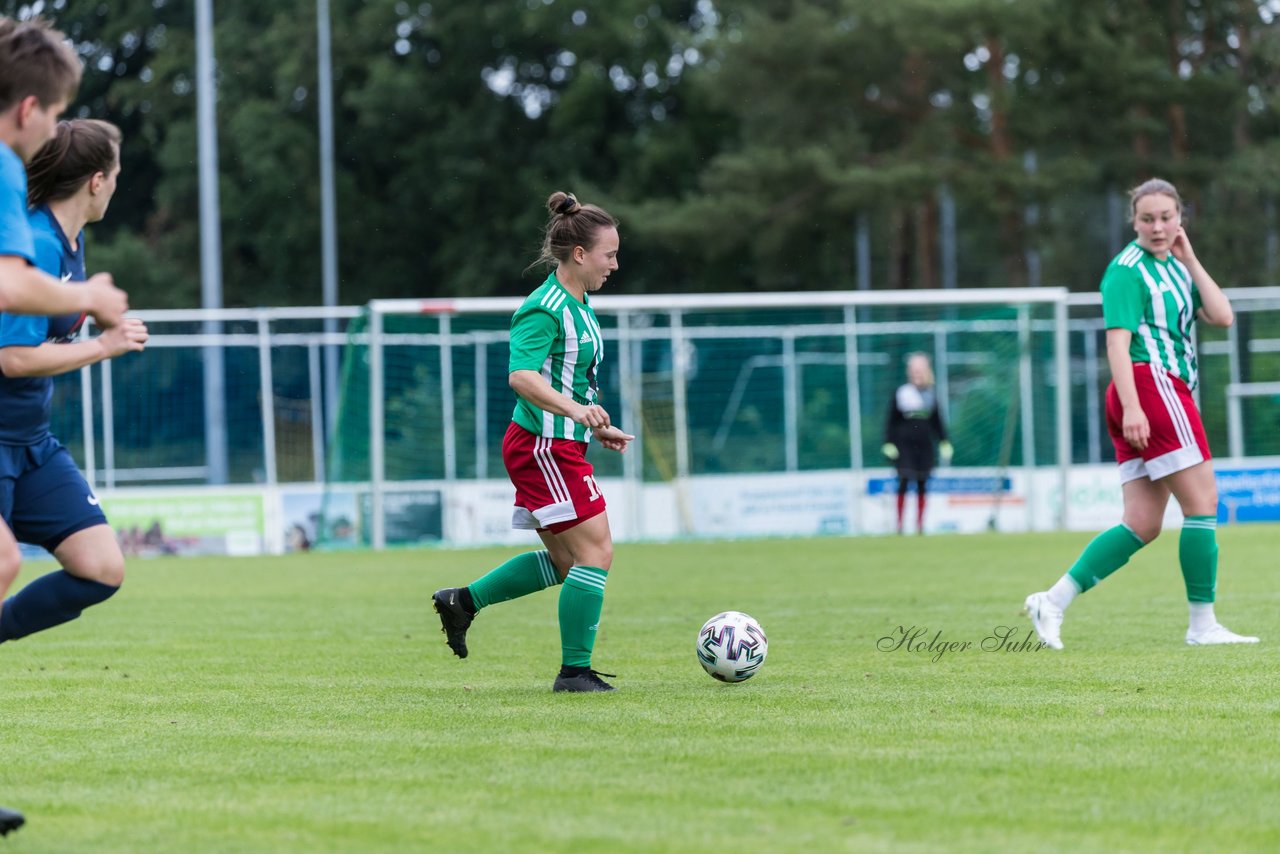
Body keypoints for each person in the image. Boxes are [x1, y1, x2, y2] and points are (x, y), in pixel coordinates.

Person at [1025, 178, 1257, 650]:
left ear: (1180, 220)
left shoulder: (1175, 267)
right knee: (1202, 504)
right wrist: (1133, 406)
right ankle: (1202, 625)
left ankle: (1052, 601)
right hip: (1150, 386)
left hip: (1154, 391)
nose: (1157, 226)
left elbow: (1223, 314)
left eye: (1167, 217)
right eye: (1147, 218)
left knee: (1143, 523)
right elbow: (1117, 343)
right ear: (1133, 220)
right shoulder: (1126, 271)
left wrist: (1189, 257)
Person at [432, 191, 633, 693]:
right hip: (544, 447)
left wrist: (594, 423)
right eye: (609, 254)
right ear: (580, 254)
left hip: (559, 444)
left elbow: (569, 379)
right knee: (596, 554)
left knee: (570, 562)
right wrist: (575, 412)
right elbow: (521, 376)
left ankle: (463, 602)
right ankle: (574, 673)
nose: (615, 264)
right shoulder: (543, 308)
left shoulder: (580, 303)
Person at [0, 18, 129, 636]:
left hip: (32, 440)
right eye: (52, 112)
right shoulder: (38, 242)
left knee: (101, 566)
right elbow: (12, 356)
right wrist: (102, 341)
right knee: (2, 562)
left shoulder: (67, 248)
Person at [882, 352, 951, 534]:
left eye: (920, 371)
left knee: (922, 483)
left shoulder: (931, 395)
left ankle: (920, 525)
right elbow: (891, 420)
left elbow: (938, 421)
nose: (917, 374)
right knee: (904, 481)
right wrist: (888, 442)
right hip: (904, 446)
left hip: (924, 447)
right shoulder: (902, 393)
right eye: (914, 371)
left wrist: (944, 441)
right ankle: (899, 525)